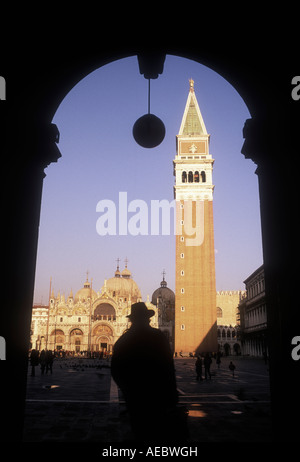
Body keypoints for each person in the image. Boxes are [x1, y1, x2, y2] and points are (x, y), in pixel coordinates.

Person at [111, 302, 188, 443]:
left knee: (140, 432)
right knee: (158, 434)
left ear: (131, 320)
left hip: (135, 399)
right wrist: (172, 396)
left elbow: (116, 370)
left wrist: (128, 391)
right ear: (148, 319)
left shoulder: (124, 340)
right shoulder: (158, 337)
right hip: (158, 397)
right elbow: (168, 368)